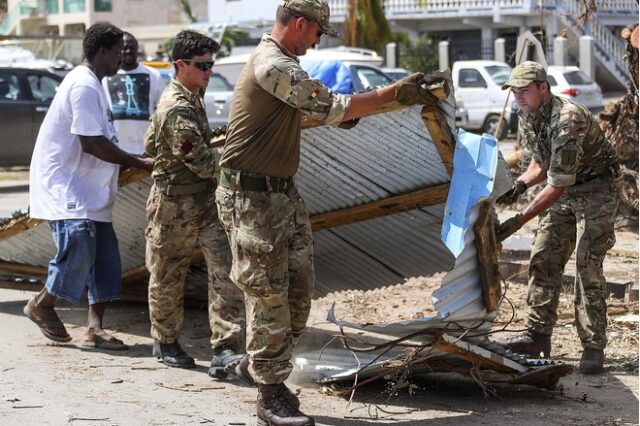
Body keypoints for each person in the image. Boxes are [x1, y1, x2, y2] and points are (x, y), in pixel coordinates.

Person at [215, 1, 438, 424]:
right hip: (252, 199)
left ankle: (258, 365)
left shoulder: (283, 63)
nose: (318, 40)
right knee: (269, 295)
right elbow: (332, 105)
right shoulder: (272, 64)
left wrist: (360, 107)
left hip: (280, 194)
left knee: (299, 293)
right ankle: (269, 394)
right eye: (317, 32)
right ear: (300, 23)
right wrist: (395, 93)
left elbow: (325, 109)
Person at [24, 23, 154, 350]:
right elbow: (90, 143)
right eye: (117, 51)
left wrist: (134, 158)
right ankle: (42, 303)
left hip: (90, 190)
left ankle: (95, 329)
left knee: (106, 260)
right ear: (102, 52)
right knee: (79, 246)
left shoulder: (96, 85)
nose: (121, 58)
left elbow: (103, 140)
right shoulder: (83, 85)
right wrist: (139, 163)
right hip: (67, 188)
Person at [494, 61, 619, 375]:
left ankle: (593, 347)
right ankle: (537, 336)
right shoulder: (530, 117)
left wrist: (518, 220)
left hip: (595, 191)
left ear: (542, 88)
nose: (519, 96)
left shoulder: (568, 119)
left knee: (587, 266)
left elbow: (558, 183)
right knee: (544, 256)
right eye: (514, 91)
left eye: (524, 90)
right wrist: (520, 184)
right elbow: (541, 164)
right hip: (565, 190)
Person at [144, 30, 246, 376]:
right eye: (202, 65)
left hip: (202, 203)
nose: (209, 71)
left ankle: (227, 348)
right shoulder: (176, 106)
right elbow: (201, 160)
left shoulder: (192, 97)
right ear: (181, 65)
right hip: (174, 207)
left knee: (225, 271)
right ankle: (166, 341)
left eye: (211, 64)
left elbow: (149, 143)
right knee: (168, 275)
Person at [102, 32, 164, 155]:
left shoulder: (153, 75)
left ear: (137, 50)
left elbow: (163, 111)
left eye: (132, 48)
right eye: (124, 48)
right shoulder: (106, 77)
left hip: (145, 151)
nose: (128, 51)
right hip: (115, 151)